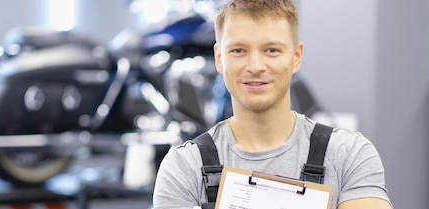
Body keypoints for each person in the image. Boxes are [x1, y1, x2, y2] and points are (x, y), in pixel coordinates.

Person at [152, 0, 392, 208]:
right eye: (238, 50)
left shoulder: (348, 154)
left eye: (272, 50)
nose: (255, 66)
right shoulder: (184, 167)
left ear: (296, 56)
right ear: (219, 58)